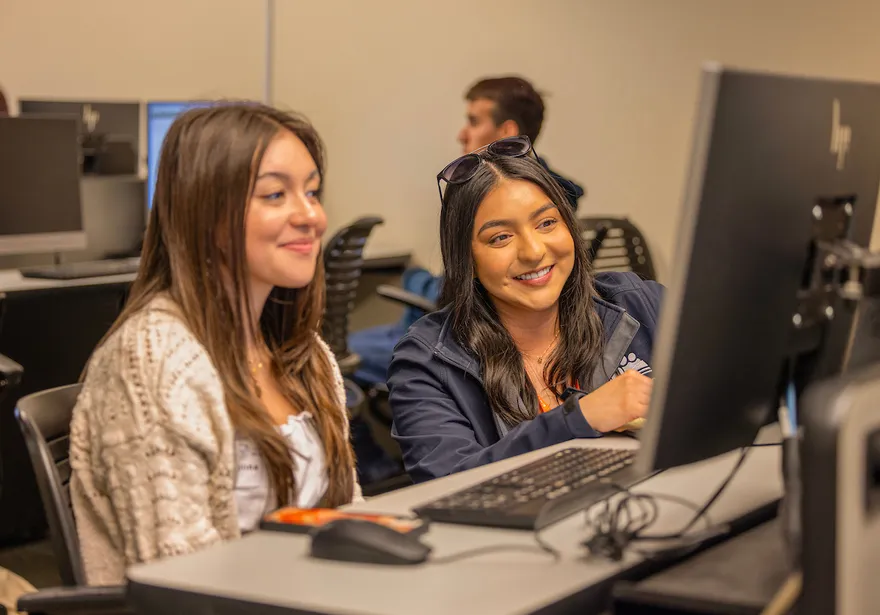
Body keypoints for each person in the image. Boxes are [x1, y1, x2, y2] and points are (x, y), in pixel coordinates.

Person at [69, 103, 361, 585]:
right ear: (205, 211)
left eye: (311, 191)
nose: (312, 215)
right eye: (275, 194)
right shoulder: (153, 360)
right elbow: (183, 584)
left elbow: (348, 519)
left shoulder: (302, 355)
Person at [388, 137, 662, 483]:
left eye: (547, 223)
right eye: (500, 237)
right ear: (466, 260)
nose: (533, 251)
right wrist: (580, 419)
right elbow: (449, 487)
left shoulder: (639, 303)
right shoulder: (428, 363)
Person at [459, 76, 585, 211]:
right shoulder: (552, 194)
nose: (461, 136)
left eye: (474, 122)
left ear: (507, 132)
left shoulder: (530, 200)